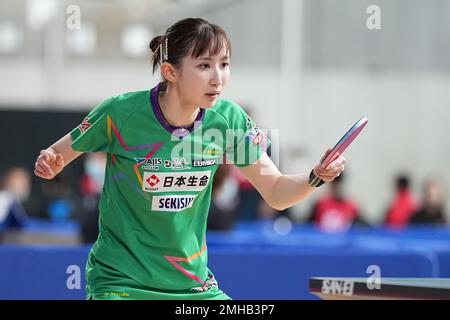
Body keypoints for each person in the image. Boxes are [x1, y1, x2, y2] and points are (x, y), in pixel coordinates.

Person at [34, 18, 345, 300]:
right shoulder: (121, 113)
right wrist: (50, 161)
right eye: (204, 65)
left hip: (192, 287)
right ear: (171, 71)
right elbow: (58, 154)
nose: (218, 78)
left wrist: (316, 176)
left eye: (224, 64)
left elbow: (276, 192)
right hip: (121, 283)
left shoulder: (227, 119)